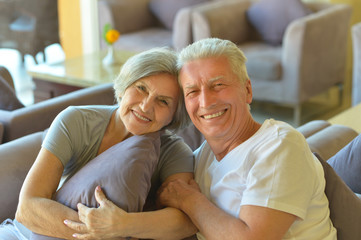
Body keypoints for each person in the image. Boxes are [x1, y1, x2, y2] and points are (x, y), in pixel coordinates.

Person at [0, 47, 197, 240]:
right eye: (141, 88)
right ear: (124, 87)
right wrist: (99, 232)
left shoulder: (176, 152)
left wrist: (121, 226)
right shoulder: (75, 120)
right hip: (29, 232)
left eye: (163, 101)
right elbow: (27, 208)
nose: (146, 106)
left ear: (174, 116)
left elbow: (185, 222)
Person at [158, 38, 337, 240]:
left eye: (218, 85)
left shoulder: (279, 145)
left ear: (247, 90)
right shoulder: (200, 158)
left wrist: (189, 200)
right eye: (192, 91)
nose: (206, 102)